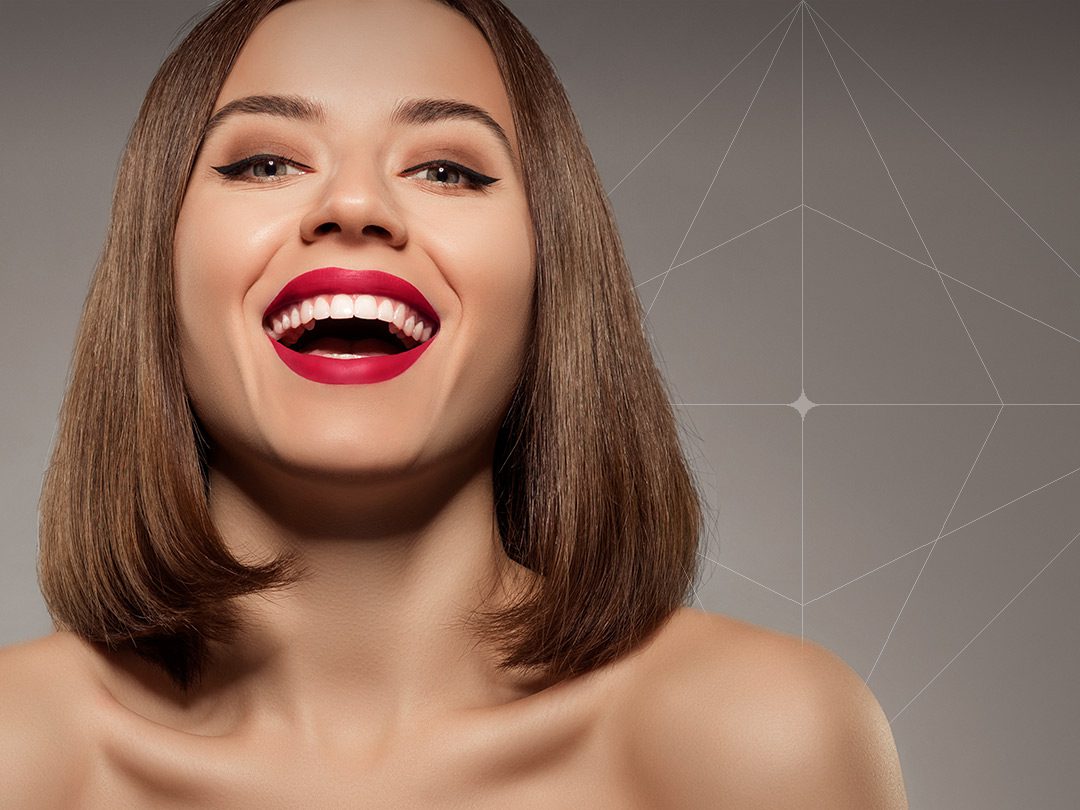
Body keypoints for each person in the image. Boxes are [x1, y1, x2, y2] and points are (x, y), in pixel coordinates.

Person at [0, 0, 908, 806]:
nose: (354, 204)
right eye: (268, 160)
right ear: (157, 265)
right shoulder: (19, 754)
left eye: (447, 170)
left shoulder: (760, 744)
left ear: (550, 275)